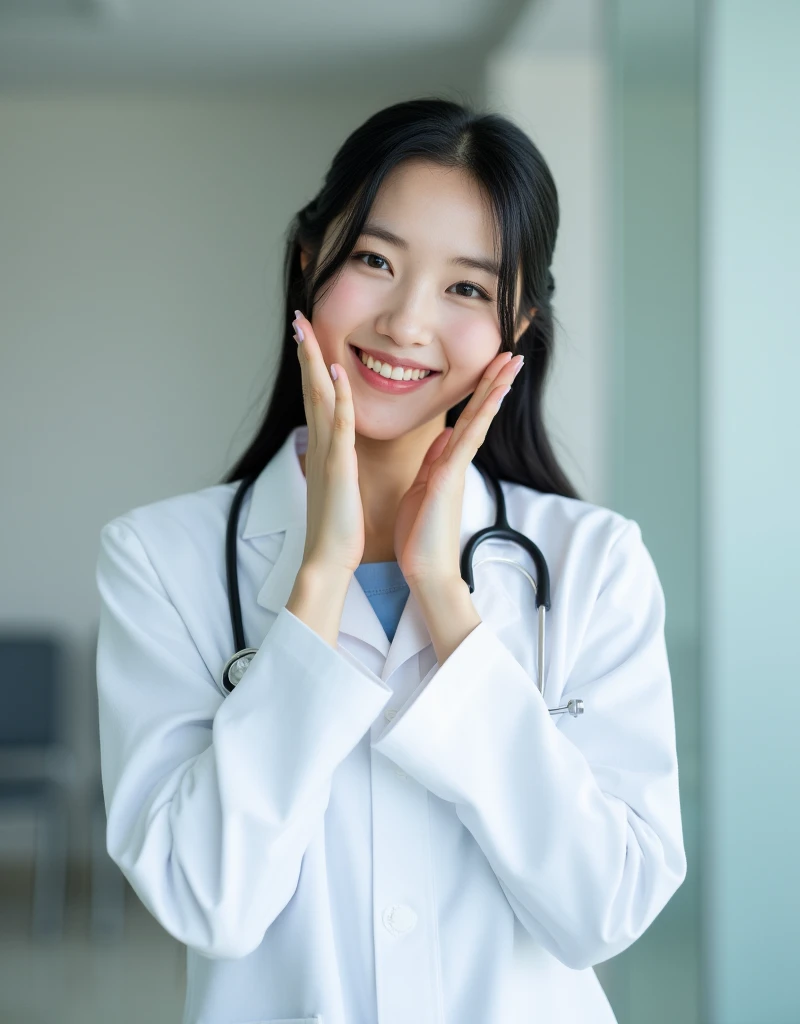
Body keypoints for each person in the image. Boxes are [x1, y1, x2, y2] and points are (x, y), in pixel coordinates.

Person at [95, 97, 686, 1024]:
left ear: (518, 323)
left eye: (466, 288)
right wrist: (318, 585)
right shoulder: (160, 560)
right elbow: (207, 900)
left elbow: (602, 909)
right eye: (374, 261)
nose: (407, 322)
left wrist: (446, 600)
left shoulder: (594, 562)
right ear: (308, 260)